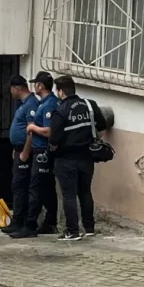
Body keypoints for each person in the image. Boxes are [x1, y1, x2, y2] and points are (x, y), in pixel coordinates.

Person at [49, 75, 108, 241]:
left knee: (69, 195)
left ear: (61, 92)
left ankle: (72, 231)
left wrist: (54, 150)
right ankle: (89, 228)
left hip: (66, 159)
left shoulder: (60, 111)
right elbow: (101, 128)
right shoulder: (90, 105)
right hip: (87, 157)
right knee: (85, 192)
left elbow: (54, 140)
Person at [10, 71, 59, 239]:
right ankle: (46, 222)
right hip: (38, 151)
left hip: (41, 152)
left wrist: (32, 129)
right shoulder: (43, 103)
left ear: (40, 85)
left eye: (36, 83)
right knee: (44, 189)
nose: (34, 86)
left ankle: (30, 224)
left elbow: (48, 131)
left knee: (35, 189)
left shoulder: (47, 105)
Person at [3, 75, 37, 235]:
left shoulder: (31, 104)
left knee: (21, 186)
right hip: (19, 150)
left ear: (16, 88)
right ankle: (17, 220)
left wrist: (25, 151)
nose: (10, 92)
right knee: (17, 186)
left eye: (11, 89)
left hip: (25, 153)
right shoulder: (23, 104)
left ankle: (22, 221)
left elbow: (32, 130)